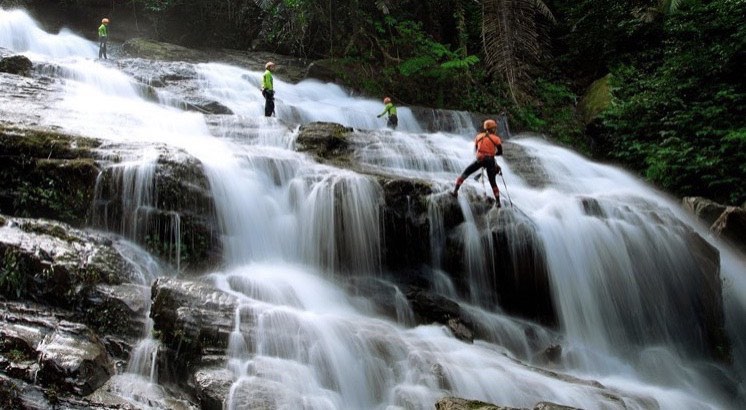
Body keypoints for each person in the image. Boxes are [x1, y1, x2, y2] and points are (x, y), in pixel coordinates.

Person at [450, 119, 504, 207]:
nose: (495, 129)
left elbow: (476, 150)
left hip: (480, 159)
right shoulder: (496, 139)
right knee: (492, 181)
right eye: (494, 128)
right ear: (493, 129)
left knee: (465, 173)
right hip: (490, 160)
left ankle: (455, 191)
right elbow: (500, 152)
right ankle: (498, 201)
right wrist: (492, 154)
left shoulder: (478, 137)